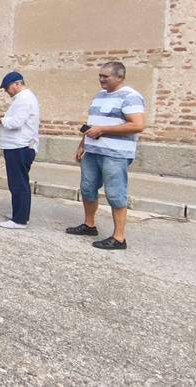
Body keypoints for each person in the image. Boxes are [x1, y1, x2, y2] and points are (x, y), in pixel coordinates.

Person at [67, 62, 146, 250]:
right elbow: (93, 123)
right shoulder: (100, 95)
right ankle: (89, 225)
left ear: (120, 77)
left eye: (106, 76)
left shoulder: (131, 96)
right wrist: (82, 144)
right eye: (100, 75)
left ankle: (119, 238)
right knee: (87, 189)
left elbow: (137, 125)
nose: (101, 79)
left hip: (115, 154)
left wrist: (102, 130)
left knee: (115, 194)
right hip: (93, 151)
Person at [0, 71, 40, 229]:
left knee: (18, 184)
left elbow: (16, 122)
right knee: (18, 182)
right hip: (18, 146)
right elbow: (18, 117)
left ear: (17, 84)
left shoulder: (24, 99)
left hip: (19, 146)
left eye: (8, 88)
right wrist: (2, 116)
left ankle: (19, 220)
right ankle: (20, 214)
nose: (6, 92)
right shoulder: (23, 98)